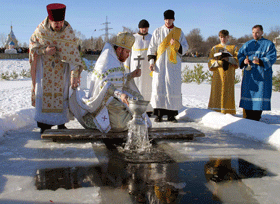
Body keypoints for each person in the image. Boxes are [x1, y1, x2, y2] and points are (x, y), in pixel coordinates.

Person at [69, 32, 151, 133]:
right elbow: (104, 85)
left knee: (139, 99)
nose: (128, 55)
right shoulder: (106, 60)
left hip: (118, 95)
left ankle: (134, 122)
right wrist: (119, 94)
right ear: (120, 49)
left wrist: (132, 75)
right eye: (127, 52)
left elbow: (118, 79)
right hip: (105, 99)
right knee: (120, 124)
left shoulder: (116, 59)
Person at [29, 3, 84, 134]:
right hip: (44, 70)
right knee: (43, 94)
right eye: (56, 22)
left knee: (62, 95)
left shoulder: (68, 32)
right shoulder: (41, 30)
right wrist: (44, 50)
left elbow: (74, 54)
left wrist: (74, 73)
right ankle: (43, 125)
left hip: (61, 71)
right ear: (50, 19)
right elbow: (32, 45)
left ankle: (61, 123)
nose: (59, 25)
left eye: (61, 22)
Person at [147, 9, 189, 122]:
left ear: (173, 19)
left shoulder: (179, 32)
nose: (168, 21)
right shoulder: (158, 31)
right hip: (159, 65)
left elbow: (185, 48)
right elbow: (152, 48)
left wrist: (176, 44)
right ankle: (159, 115)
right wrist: (151, 62)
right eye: (166, 19)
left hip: (173, 66)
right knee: (159, 86)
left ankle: (171, 115)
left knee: (172, 88)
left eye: (170, 19)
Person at [238, 25, 277, 121]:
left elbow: (272, 57)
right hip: (249, 76)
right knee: (248, 98)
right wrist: (244, 61)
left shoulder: (269, 44)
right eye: (253, 32)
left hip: (262, 76)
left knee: (259, 99)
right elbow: (240, 55)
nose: (255, 34)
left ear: (262, 32)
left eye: (257, 32)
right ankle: (248, 119)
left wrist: (261, 61)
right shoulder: (247, 44)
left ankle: (256, 119)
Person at [124, 19, 153, 116]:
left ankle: (148, 109)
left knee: (147, 86)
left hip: (147, 68)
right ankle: (134, 108)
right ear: (139, 28)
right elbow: (128, 53)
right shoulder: (133, 38)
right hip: (135, 67)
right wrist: (126, 67)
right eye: (142, 28)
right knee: (135, 86)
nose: (143, 29)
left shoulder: (152, 38)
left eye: (145, 28)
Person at [208, 30, 239, 114]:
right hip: (218, 74)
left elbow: (238, 60)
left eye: (225, 37)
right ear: (219, 37)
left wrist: (228, 59)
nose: (223, 39)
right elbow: (210, 61)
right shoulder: (215, 48)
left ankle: (228, 111)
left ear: (228, 37)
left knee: (228, 92)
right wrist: (219, 62)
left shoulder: (233, 48)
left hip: (229, 74)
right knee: (217, 92)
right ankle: (215, 109)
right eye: (221, 37)